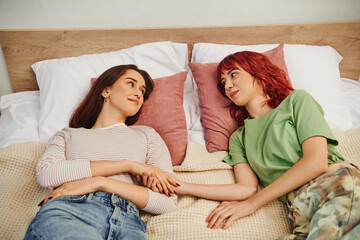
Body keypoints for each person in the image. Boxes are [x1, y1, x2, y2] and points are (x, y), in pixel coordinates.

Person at [171, 51, 360, 239]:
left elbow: (316, 162)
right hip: (300, 210)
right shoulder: (239, 138)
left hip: (335, 184)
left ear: (258, 72)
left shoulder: (297, 101)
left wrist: (252, 204)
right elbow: (245, 188)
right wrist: (182, 186)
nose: (228, 85)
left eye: (233, 74)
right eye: (223, 82)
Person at [24, 64, 178, 240]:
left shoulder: (147, 135)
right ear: (106, 91)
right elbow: (47, 174)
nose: (138, 93)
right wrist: (128, 165)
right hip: (72, 210)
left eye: (142, 91)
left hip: (128, 221)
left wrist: (101, 183)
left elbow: (168, 201)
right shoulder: (68, 134)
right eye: (131, 84)